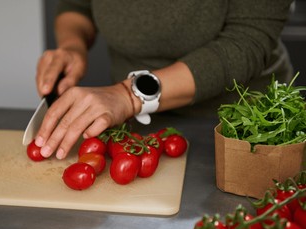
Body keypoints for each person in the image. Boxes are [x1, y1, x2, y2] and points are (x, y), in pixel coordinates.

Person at [34, 0, 294, 160]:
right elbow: (76, 5)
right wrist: (72, 46)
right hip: (132, 127)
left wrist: (129, 95)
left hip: (242, 127)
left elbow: (246, 42)